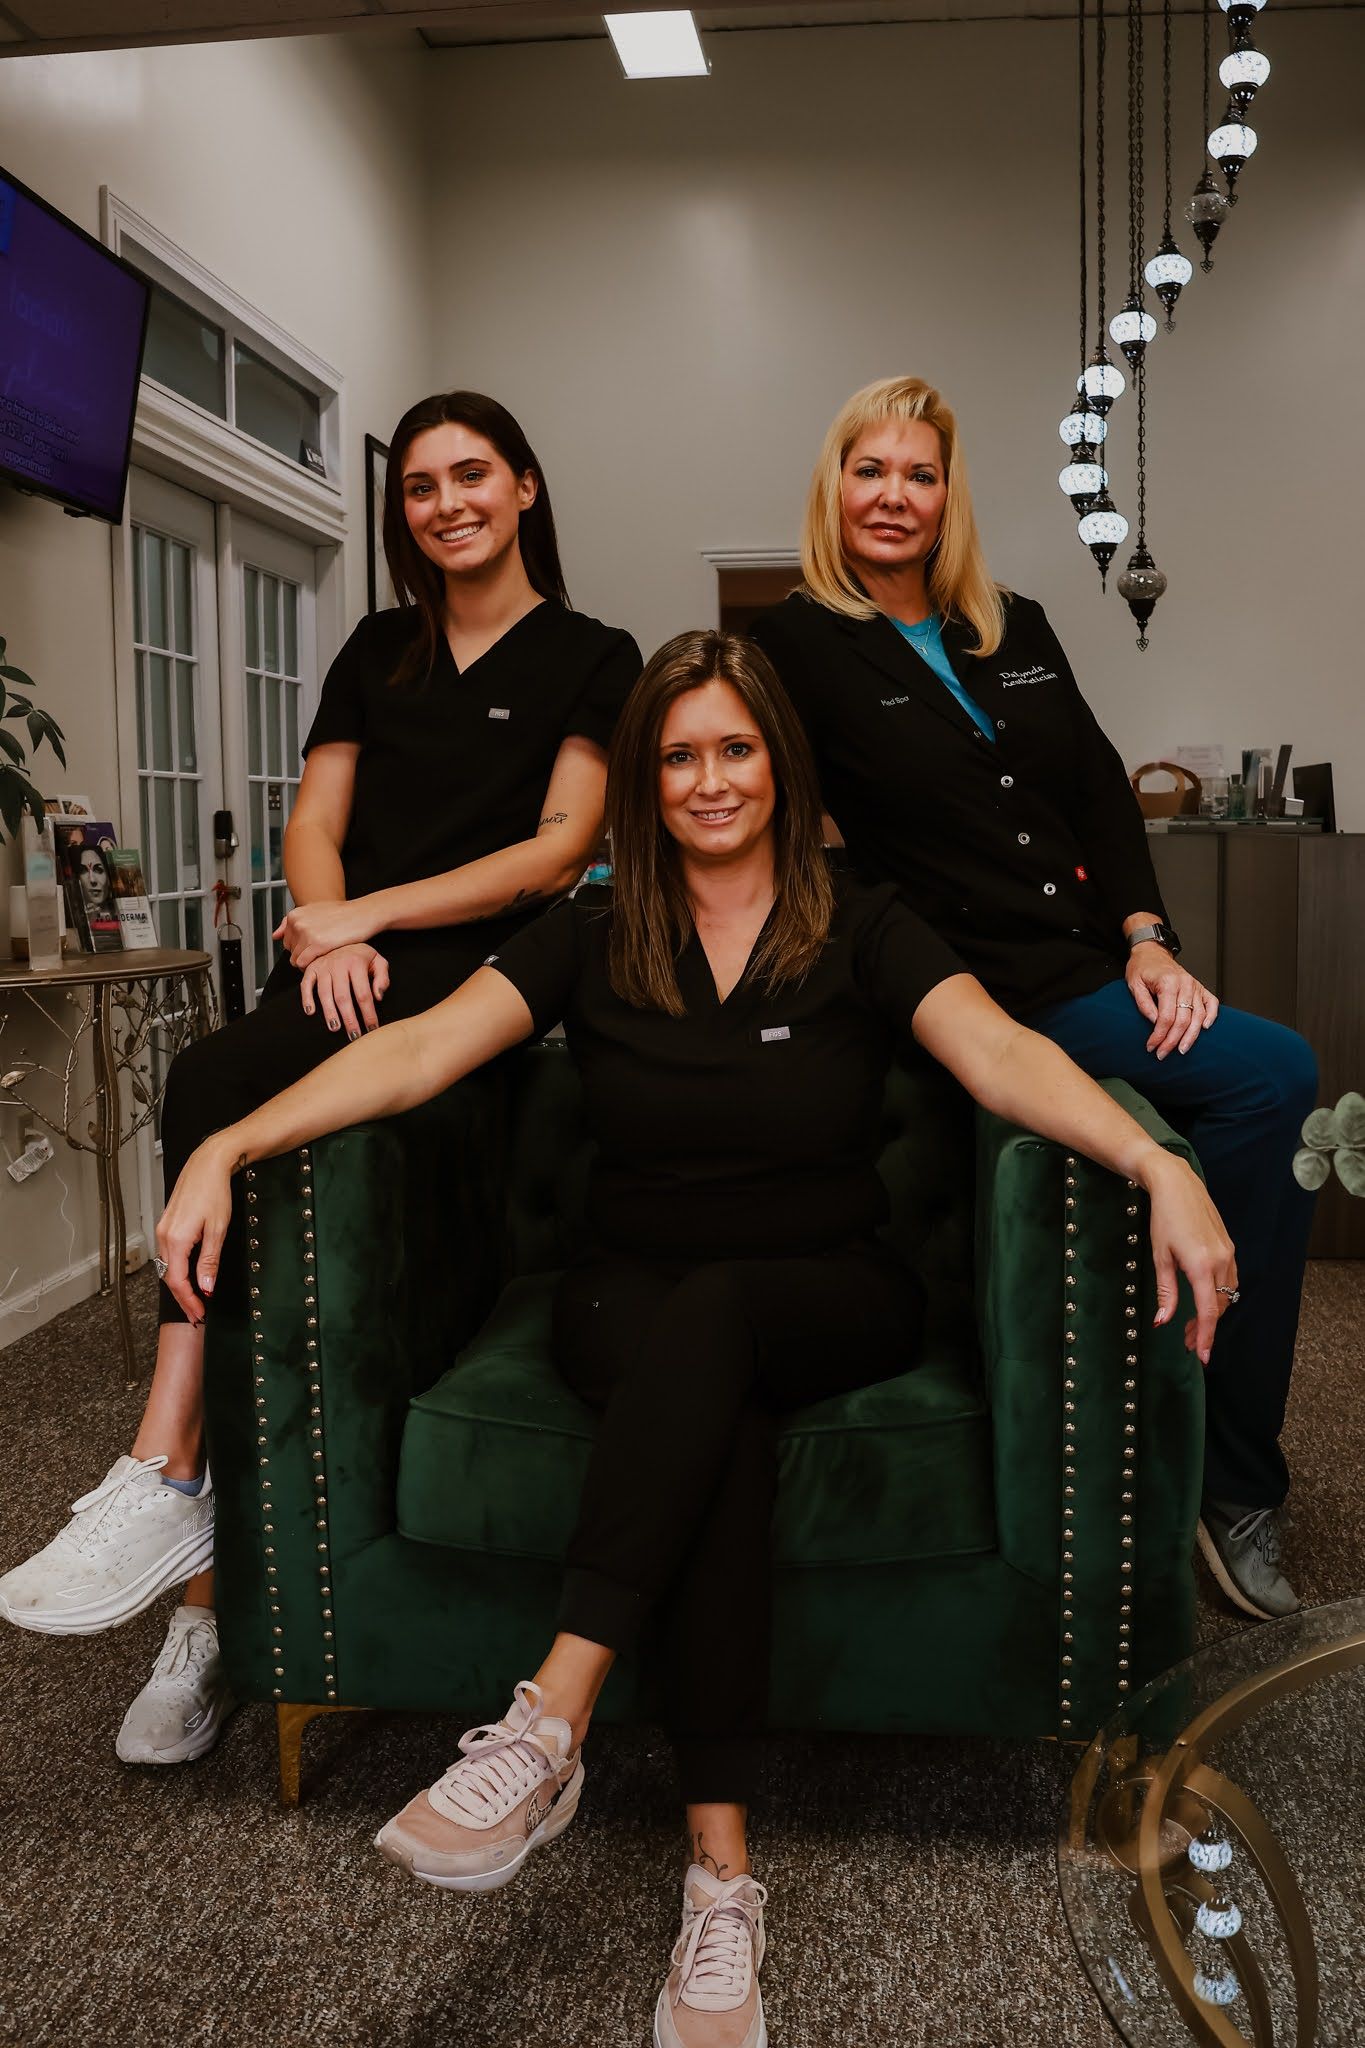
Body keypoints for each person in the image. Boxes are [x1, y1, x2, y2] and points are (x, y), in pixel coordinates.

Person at [153, 630, 1232, 2048]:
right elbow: (414, 1053)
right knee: (704, 1404)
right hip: (626, 1297)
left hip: (829, 1288)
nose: (709, 779)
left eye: (735, 749)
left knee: (720, 1319)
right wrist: (228, 1135)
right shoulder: (594, 929)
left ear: (777, 761)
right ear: (645, 781)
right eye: (677, 755)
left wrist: (1158, 1162)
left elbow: (1001, 1056)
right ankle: (719, 1882)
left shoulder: (862, 914)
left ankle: (549, 1722)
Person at [0, 390, 641, 1768]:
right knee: (224, 1093)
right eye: (418, 486)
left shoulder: (597, 654)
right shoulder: (375, 650)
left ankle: (173, 1488)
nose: (446, 502)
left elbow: (557, 848)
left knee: (220, 1091)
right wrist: (319, 927)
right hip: (348, 962)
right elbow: (315, 823)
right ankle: (195, 1564)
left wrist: (374, 919)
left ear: (525, 488)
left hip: (481, 971)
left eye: (472, 475)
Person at [749, 373, 1318, 1623]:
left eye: (921, 474)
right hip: (974, 985)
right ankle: (1230, 1474)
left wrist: (1150, 937)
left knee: (1274, 1077)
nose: (894, 497)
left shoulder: (1014, 622)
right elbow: (755, 814)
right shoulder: (790, 646)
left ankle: (1221, 1468)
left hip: (1089, 961)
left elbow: (1103, 791)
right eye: (871, 470)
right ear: (834, 487)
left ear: (949, 496)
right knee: (1273, 1076)